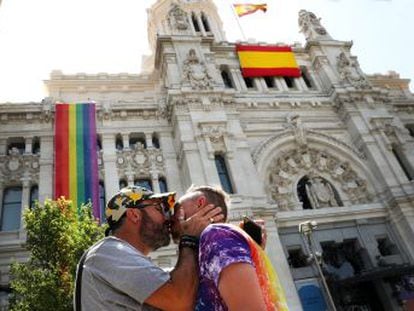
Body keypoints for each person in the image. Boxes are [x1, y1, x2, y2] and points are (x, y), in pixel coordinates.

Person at [74, 185, 223, 311]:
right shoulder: (108, 252)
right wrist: (189, 238)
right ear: (134, 215)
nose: (167, 219)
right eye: (159, 209)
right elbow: (180, 300)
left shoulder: (122, 257)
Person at [171, 185, 289, 311]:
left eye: (177, 209)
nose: (171, 218)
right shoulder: (207, 248)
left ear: (200, 203)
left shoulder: (216, 235)